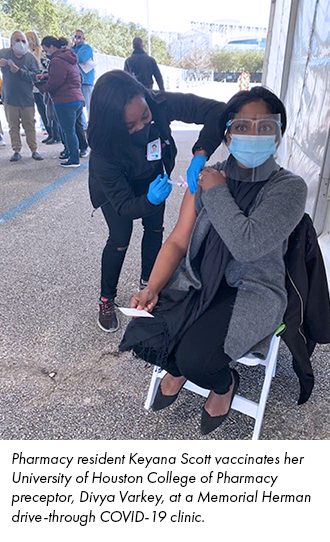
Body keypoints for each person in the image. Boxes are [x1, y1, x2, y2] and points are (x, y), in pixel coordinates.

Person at [119, 86, 308, 436]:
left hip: (252, 290)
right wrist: (153, 287)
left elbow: (247, 246)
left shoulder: (289, 187)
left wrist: (217, 190)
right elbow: (177, 240)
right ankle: (177, 365)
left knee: (197, 361)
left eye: (266, 126)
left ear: (279, 133)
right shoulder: (205, 176)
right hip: (199, 278)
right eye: (243, 126)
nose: (254, 134)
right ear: (227, 133)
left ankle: (223, 385)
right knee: (146, 337)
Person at [88, 70, 225, 333]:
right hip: (117, 193)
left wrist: (201, 152)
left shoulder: (158, 102)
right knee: (119, 239)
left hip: (151, 177)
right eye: (129, 126)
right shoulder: (103, 153)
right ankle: (106, 299)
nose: (141, 127)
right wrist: (148, 200)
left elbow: (218, 110)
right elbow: (125, 207)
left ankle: (149, 285)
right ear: (113, 124)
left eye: (144, 117)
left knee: (154, 231)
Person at [36, 36, 87, 168]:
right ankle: (71, 154)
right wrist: (47, 75)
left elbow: (55, 82)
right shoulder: (69, 57)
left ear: (52, 47)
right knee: (73, 129)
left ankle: (74, 159)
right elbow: (68, 75)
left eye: (45, 49)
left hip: (65, 100)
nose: (45, 52)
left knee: (68, 131)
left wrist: (41, 87)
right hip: (77, 99)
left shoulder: (57, 60)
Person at [0, 30, 43, 162]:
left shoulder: (30, 58)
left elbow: (36, 76)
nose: (20, 43)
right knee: (13, 126)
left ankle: (34, 150)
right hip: (10, 98)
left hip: (27, 99)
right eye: (17, 40)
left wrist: (20, 71)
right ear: (12, 42)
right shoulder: (4, 54)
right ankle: (16, 150)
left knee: (29, 125)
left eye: (23, 41)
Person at [25, 30, 61, 145]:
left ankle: (56, 134)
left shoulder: (41, 52)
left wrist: (41, 75)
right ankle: (50, 133)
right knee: (42, 111)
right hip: (34, 87)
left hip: (42, 84)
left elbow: (48, 66)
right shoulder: (26, 53)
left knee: (48, 111)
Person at [72, 29, 95, 118]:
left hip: (86, 80)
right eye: (75, 37)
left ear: (83, 38)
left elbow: (81, 58)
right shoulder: (72, 49)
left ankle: (91, 122)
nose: (77, 39)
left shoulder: (87, 48)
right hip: (75, 80)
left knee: (89, 104)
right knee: (78, 105)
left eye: (79, 37)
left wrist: (71, 53)